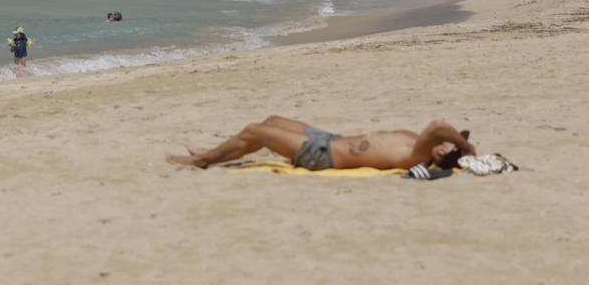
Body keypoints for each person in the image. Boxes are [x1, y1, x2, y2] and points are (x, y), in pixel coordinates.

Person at [167, 115, 475, 171]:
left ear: (442, 153)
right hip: (331, 139)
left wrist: (469, 150)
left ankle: (202, 159)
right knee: (271, 120)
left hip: (323, 155)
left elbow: (437, 126)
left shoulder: (420, 155)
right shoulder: (425, 146)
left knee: (255, 131)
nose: (451, 142)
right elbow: (442, 132)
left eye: (451, 147)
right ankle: (212, 151)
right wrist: (461, 145)